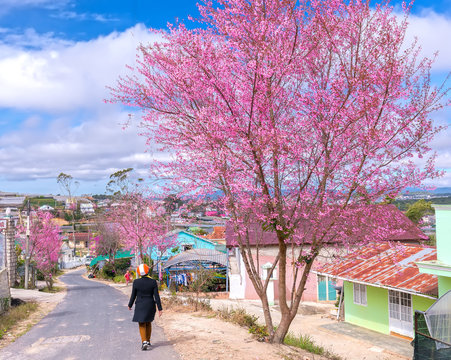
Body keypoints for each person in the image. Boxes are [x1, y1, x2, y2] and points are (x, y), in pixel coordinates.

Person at [128, 263, 163, 351]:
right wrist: (160, 308)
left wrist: (130, 304)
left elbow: (133, 295)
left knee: (141, 323)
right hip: (150, 304)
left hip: (140, 305)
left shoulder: (136, 282)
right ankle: (148, 340)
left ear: (139, 272)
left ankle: (144, 341)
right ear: (147, 271)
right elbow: (156, 296)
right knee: (148, 322)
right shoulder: (153, 282)